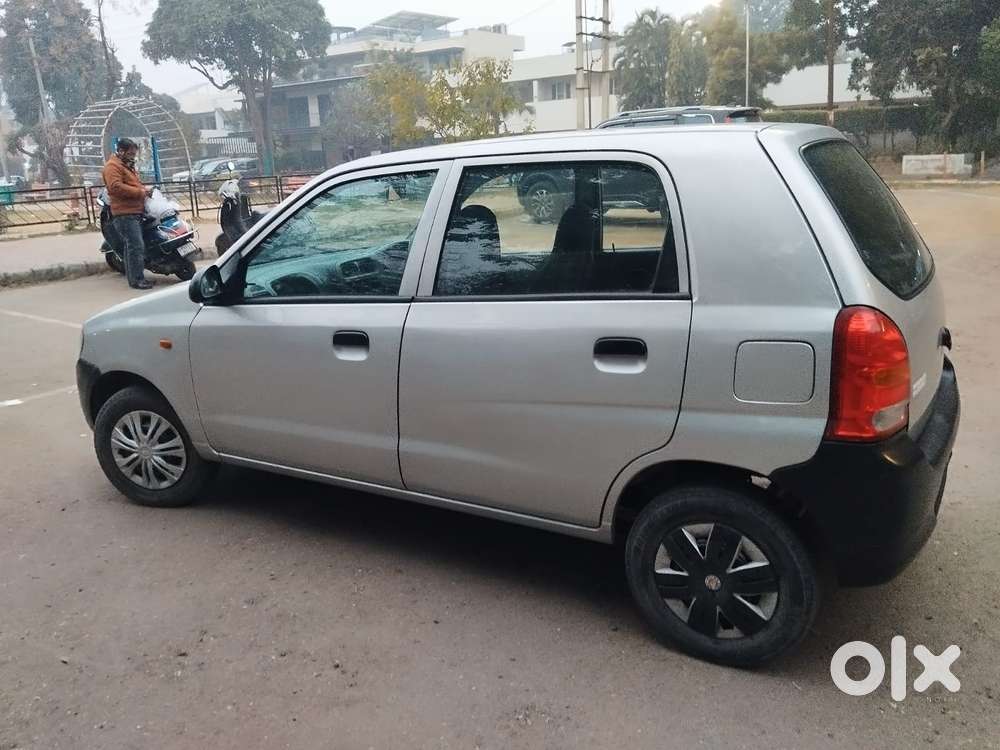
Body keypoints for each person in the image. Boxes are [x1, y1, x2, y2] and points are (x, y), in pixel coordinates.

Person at [102, 138, 153, 289]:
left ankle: (135, 277)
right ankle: (137, 280)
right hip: (124, 214)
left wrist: (144, 191)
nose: (133, 156)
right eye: (130, 153)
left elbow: (132, 183)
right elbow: (115, 187)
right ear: (121, 151)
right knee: (135, 246)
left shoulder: (126, 165)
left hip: (134, 211)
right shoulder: (112, 166)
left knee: (131, 246)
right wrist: (141, 192)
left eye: (134, 153)